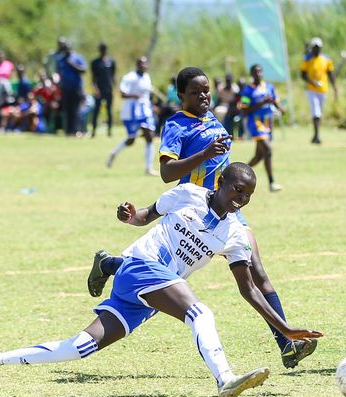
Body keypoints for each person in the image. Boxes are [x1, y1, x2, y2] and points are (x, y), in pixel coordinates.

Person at [0, 163, 323, 397]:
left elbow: (249, 288)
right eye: (236, 189)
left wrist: (285, 328)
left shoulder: (236, 235)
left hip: (148, 292)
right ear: (220, 181)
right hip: (141, 266)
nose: (240, 199)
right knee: (200, 312)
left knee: (79, 347)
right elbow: (146, 216)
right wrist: (131, 216)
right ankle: (225, 379)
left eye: (247, 196)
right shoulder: (188, 195)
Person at [90, 67, 318, 370]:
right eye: (195, 92)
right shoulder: (176, 124)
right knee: (166, 271)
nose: (203, 96)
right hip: (194, 208)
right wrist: (206, 152)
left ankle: (286, 343)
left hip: (228, 207)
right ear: (181, 95)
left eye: (206, 90)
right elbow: (167, 173)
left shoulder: (211, 119)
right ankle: (109, 264)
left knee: (257, 271)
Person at [106, 57, 157, 175]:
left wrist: (152, 105)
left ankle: (148, 168)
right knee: (131, 140)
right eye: (141, 64)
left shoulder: (147, 77)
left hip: (145, 111)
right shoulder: (130, 77)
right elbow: (122, 94)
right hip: (132, 112)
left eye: (145, 64)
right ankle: (114, 153)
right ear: (137, 65)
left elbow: (147, 95)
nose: (144, 66)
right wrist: (134, 96)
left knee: (150, 135)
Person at [241, 64, 286, 192]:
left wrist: (281, 108)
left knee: (259, 156)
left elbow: (275, 100)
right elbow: (244, 110)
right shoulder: (247, 90)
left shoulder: (269, 87)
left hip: (267, 123)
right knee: (268, 150)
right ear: (252, 74)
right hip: (256, 123)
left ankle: (240, 173)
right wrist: (262, 102)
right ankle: (272, 183)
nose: (259, 74)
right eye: (256, 72)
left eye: (260, 71)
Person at [299, 37, 336, 144]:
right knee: (316, 112)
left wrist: (334, 87)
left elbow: (330, 74)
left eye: (318, 47)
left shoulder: (326, 59)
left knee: (319, 113)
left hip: (323, 89)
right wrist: (312, 82)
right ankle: (316, 135)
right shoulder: (307, 58)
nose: (317, 49)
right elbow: (303, 75)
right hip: (311, 89)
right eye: (315, 47)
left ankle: (316, 134)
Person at [56, 41, 87, 136]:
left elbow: (83, 70)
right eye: (65, 48)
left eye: (68, 48)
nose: (66, 50)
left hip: (76, 88)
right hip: (65, 89)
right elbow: (59, 72)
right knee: (67, 110)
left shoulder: (77, 57)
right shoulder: (60, 59)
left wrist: (72, 64)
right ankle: (68, 131)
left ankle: (77, 130)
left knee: (76, 110)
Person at [90, 43, 116, 138]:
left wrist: (114, 87)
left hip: (108, 90)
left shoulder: (111, 61)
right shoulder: (95, 62)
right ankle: (93, 131)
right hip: (99, 90)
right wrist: (95, 89)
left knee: (109, 111)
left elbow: (113, 76)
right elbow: (93, 78)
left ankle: (109, 131)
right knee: (96, 111)